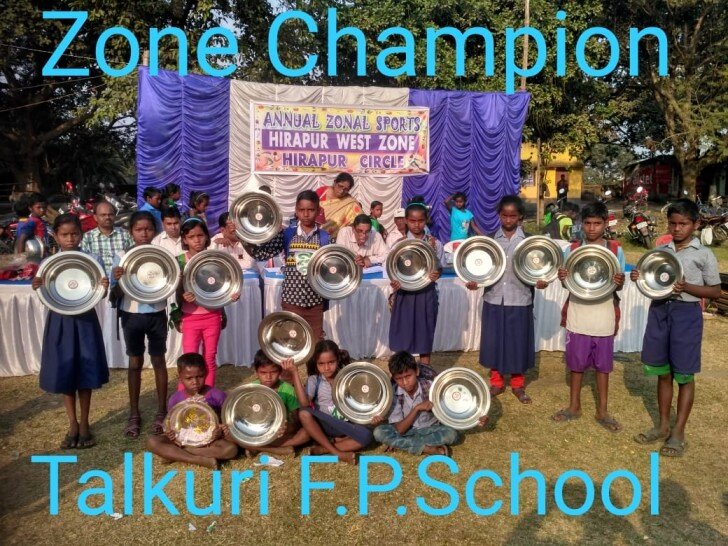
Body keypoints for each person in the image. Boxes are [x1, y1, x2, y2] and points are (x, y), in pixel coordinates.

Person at [631, 199, 721, 457]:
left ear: (696, 224)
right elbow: (652, 280)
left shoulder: (703, 254)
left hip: (686, 314)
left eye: (683, 224)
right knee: (663, 372)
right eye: (673, 223)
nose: (677, 228)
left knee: (684, 374)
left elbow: (715, 291)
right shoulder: (662, 250)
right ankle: (662, 426)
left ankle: (678, 432)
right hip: (660, 311)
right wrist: (640, 277)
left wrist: (687, 287)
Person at [31, 213, 109, 449]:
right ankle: (72, 423)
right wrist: (38, 287)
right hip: (61, 322)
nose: (70, 239)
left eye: (74, 234)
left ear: (81, 235)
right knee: (66, 372)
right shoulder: (49, 264)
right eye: (64, 234)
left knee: (85, 371)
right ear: (55, 236)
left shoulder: (92, 260)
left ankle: (85, 423)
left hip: (85, 321)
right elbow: (45, 298)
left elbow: (99, 294)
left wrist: (104, 287)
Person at [553, 201, 626, 432]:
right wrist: (562, 277)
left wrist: (620, 281)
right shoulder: (572, 249)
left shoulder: (615, 249)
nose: (592, 228)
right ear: (581, 224)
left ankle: (602, 411)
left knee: (603, 366)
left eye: (597, 223)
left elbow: (619, 283)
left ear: (605, 224)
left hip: (604, 312)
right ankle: (574, 406)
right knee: (576, 364)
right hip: (578, 311)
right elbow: (567, 283)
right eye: (587, 223)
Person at [467, 196, 547, 403]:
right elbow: (482, 268)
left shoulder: (529, 241)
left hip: (520, 298)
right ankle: (496, 382)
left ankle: (518, 384)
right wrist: (475, 281)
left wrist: (541, 281)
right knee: (494, 341)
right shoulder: (490, 241)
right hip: (494, 298)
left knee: (517, 342)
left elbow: (539, 268)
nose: (509, 220)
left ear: (520, 216)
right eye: (505, 215)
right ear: (499, 215)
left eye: (513, 216)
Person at [111, 211, 170, 438]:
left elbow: (170, 282)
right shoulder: (122, 256)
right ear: (131, 232)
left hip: (157, 313)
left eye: (148, 229)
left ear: (154, 231)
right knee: (135, 362)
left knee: (159, 361)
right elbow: (114, 294)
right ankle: (134, 413)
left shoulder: (161, 255)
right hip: (131, 315)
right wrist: (118, 279)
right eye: (138, 229)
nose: (144, 233)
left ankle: (162, 411)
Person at [245, 190, 330, 340]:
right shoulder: (287, 235)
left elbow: (332, 268)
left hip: (315, 303)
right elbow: (260, 254)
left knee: (315, 343)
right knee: (292, 343)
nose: (306, 214)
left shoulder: (325, 238)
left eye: (310, 210)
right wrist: (242, 236)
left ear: (318, 211)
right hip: (291, 301)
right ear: (296, 211)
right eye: (302, 210)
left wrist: (354, 262)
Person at [373, 352, 487, 455]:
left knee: (451, 435)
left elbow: (455, 407)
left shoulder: (432, 387)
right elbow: (400, 429)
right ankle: (426, 448)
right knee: (378, 432)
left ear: (417, 371)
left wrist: (477, 417)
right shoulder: (394, 393)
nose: (405, 382)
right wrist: (417, 408)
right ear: (394, 378)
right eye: (399, 378)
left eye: (408, 376)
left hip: (431, 430)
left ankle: (402, 444)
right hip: (407, 431)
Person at [283, 340, 373, 464]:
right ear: (316, 363)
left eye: (331, 362)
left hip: (345, 424)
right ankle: (338, 453)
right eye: (321, 364)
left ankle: (323, 449)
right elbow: (304, 403)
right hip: (324, 424)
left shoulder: (348, 377)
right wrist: (294, 372)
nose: (326, 368)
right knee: (304, 412)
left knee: (366, 436)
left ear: (338, 359)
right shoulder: (314, 380)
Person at [177, 218, 240, 387]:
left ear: (206, 236)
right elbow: (175, 290)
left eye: (200, 235)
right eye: (191, 237)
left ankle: (208, 395)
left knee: (209, 358)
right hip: (190, 316)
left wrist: (232, 294)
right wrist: (183, 296)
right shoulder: (180, 260)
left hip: (212, 315)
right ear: (184, 239)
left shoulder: (215, 258)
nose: (197, 240)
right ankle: (184, 397)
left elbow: (225, 283)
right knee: (188, 360)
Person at [147, 353, 238, 469]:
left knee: (231, 450)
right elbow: (171, 424)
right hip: (183, 439)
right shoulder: (175, 399)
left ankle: (179, 453)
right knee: (152, 442)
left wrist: (220, 430)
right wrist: (170, 434)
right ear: (180, 377)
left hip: (211, 441)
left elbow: (227, 421)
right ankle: (199, 460)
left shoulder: (217, 395)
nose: (195, 382)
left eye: (199, 376)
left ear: (206, 373)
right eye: (189, 378)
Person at [388, 200, 444, 365]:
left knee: (424, 335)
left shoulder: (435, 243)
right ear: (405, 220)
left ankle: (425, 371)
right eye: (412, 221)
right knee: (403, 335)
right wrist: (395, 282)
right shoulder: (399, 245)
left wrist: (436, 274)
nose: (416, 224)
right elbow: (392, 269)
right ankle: (403, 371)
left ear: (426, 220)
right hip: (404, 295)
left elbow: (440, 267)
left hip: (426, 294)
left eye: (420, 220)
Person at [222, 350, 309, 457]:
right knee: (228, 434)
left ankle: (255, 447)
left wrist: (287, 427)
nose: (268, 377)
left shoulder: (288, 390)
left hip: (278, 434)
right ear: (256, 372)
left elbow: (296, 421)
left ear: (280, 371)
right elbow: (244, 416)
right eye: (263, 373)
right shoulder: (251, 389)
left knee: (306, 434)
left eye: (273, 372)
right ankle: (274, 449)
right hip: (257, 430)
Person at [81, 200, 132, 275]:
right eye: (103, 215)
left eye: (110, 214)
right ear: (95, 217)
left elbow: (132, 256)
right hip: (98, 278)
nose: (107, 217)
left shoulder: (126, 234)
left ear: (115, 216)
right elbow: (84, 261)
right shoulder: (87, 237)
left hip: (122, 278)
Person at [315, 172, 363, 238]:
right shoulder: (321, 192)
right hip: (314, 233)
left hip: (335, 240)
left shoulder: (351, 203)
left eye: (346, 189)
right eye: (340, 186)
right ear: (335, 182)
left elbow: (360, 222)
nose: (341, 191)